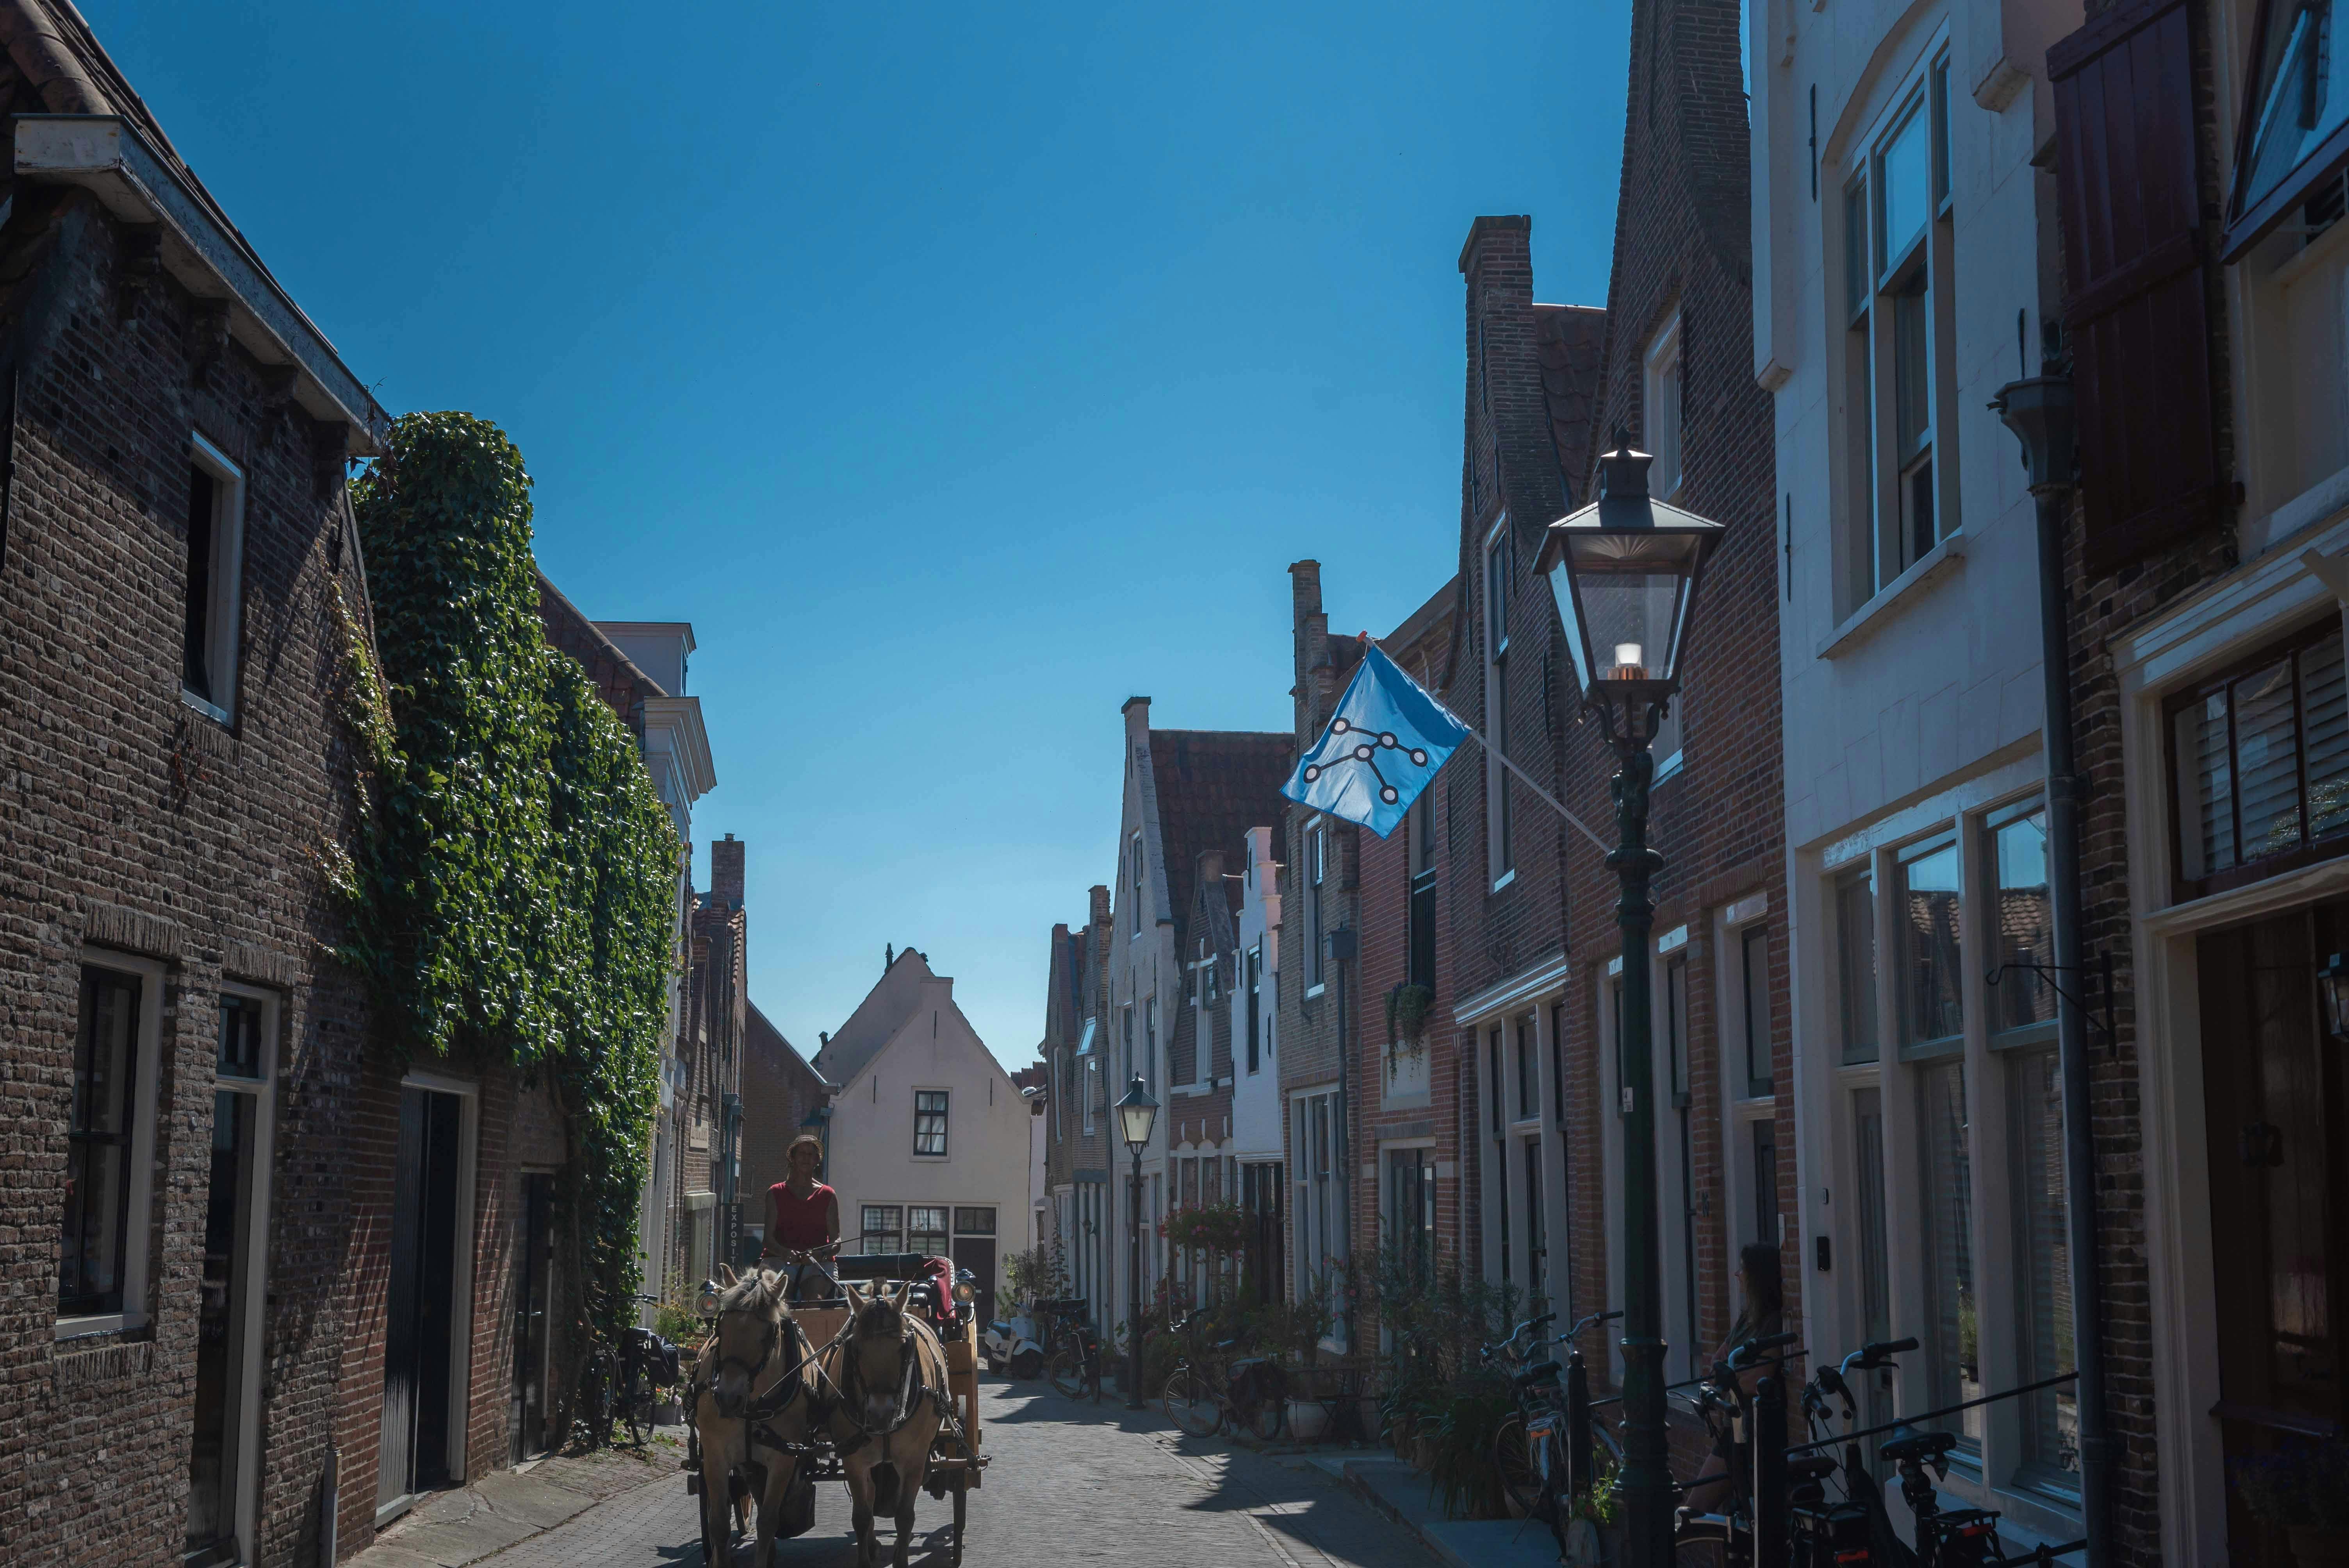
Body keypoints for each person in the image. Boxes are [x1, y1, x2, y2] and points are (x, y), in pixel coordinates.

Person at [1680, 1242, 1786, 1516]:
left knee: (1696, 1510)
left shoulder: (1773, 1323)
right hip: (1731, 1427)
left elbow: (1758, 1377)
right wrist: (1728, 1375)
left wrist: (1729, 1377)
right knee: (1723, 1515)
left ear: (1757, 1279)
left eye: (1743, 1270)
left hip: (1751, 1431)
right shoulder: (1746, 1318)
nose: (1738, 1276)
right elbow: (1717, 1359)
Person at [761, 1133, 841, 1301]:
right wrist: (785, 1253)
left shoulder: (828, 1195)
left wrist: (821, 1254)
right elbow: (768, 1239)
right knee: (781, 1299)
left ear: (817, 1160)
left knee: (814, 1298)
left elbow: (836, 1241)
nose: (806, 1158)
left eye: (811, 1154)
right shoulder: (775, 1193)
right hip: (779, 1262)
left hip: (817, 1266)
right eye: (802, 1154)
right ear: (793, 1158)